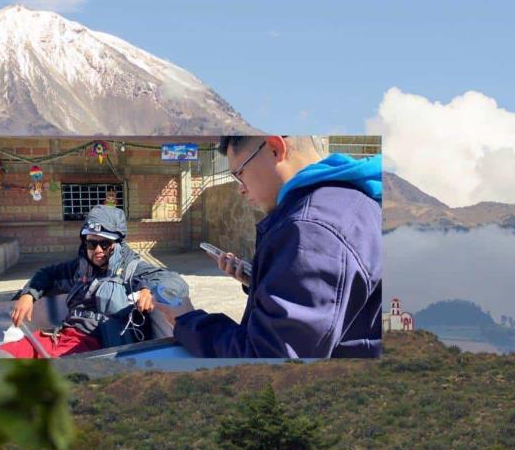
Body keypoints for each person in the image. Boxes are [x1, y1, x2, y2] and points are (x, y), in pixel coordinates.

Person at [156, 135, 382, 358]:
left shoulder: (311, 230)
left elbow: (267, 356)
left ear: (275, 148)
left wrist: (186, 319)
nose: (240, 189)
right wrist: (260, 280)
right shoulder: (349, 199)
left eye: (239, 174)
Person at [0, 204, 189, 358]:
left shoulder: (131, 270)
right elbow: (48, 274)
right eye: (91, 243)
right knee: (0, 356)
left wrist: (150, 289)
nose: (97, 249)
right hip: (62, 336)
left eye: (104, 243)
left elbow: (174, 281)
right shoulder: (78, 268)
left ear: (117, 244)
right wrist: (29, 294)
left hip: (99, 346)